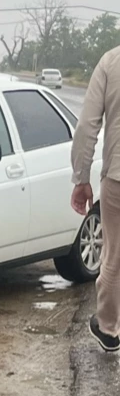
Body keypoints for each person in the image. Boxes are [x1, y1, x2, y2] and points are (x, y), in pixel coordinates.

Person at [72, 45, 120, 352]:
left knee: (114, 256)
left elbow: (87, 126)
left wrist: (81, 179)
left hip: (118, 176)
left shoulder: (111, 61)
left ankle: (108, 328)